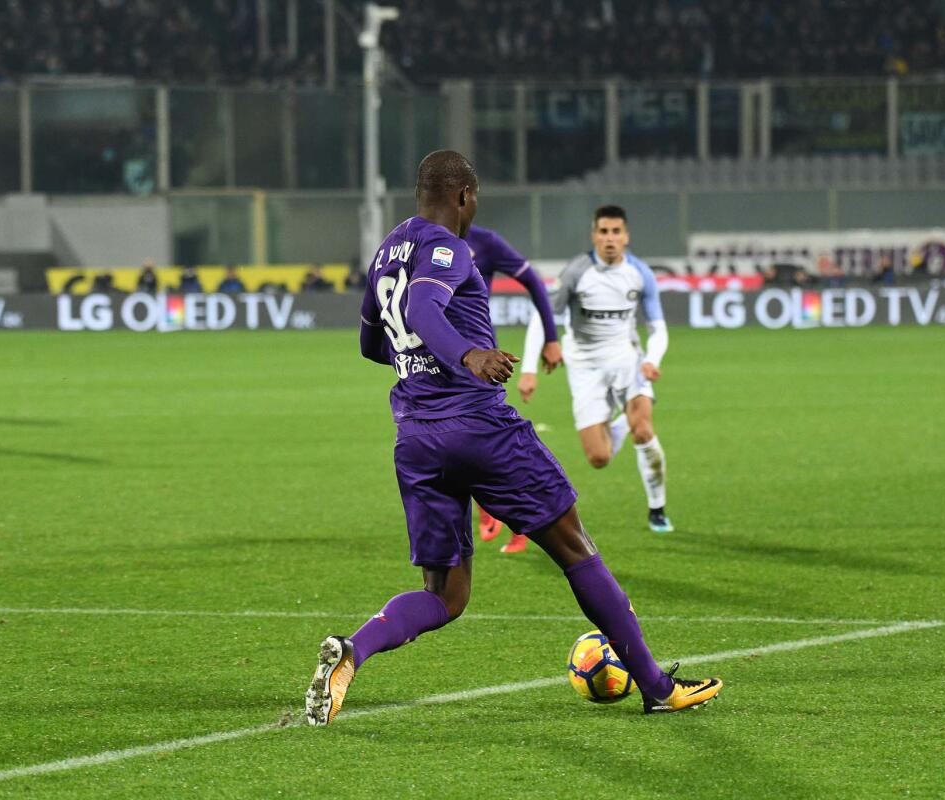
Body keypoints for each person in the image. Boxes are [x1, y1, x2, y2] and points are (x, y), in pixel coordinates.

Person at [304, 151, 722, 727]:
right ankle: (656, 687)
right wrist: (466, 355)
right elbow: (423, 308)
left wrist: (421, 362)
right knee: (574, 545)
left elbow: (371, 343)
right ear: (464, 196)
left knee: (445, 594)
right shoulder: (448, 246)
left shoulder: (386, 252)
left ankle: (354, 651)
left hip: (417, 439)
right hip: (479, 428)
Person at [517, 205, 674, 534]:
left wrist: (652, 360)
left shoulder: (640, 273)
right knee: (599, 458)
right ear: (594, 236)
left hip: (627, 359)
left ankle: (657, 509)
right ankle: (625, 420)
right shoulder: (577, 272)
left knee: (644, 430)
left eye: (616, 232)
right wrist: (529, 369)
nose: (610, 238)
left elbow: (657, 327)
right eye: (603, 232)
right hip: (584, 365)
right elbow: (542, 316)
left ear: (626, 236)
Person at [463, 224, 560, 554]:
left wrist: (551, 337)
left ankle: (514, 517)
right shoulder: (419, 237)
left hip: (478, 359)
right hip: (433, 359)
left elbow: (533, 280)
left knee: (491, 441)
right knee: (451, 441)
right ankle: (488, 508)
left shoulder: (484, 241)